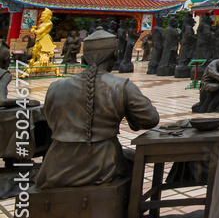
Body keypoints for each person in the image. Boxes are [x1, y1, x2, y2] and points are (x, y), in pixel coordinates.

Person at [35, 28, 160, 189]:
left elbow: (50, 120)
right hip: (103, 165)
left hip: (56, 165)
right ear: (115, 55)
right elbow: (150, 119)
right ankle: (132, 211)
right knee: (135, 158)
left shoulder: (55, 87)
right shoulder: (121, 86)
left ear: (84, 57)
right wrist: (129, 117)